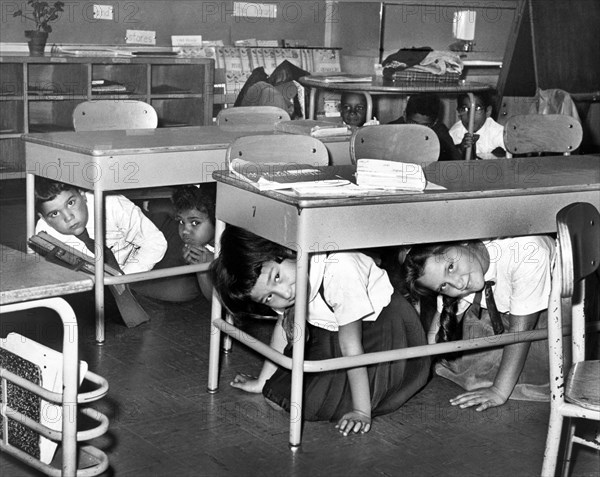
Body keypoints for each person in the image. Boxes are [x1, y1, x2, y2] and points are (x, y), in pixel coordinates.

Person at [210, 226, 430, 436]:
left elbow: (350, 345)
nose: (285, 294)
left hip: (383, 332)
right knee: (276, 395)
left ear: (285, 248)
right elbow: (284, 328)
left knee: (307, 402)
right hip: (334, 332)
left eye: (277, 277)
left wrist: (362, 411)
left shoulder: (340, 268)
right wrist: (263, 381)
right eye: (268, 297)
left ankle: (361, 396)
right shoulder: (283, 283)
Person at [402, 235, 554, 411]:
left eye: (450, 267)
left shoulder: (526, 252)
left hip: (553, 316)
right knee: (458, 363)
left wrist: (498, 391)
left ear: (463, 240)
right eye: (443, 286)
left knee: (534, 377)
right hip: (510, 318)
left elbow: (522, 330)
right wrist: (414, 374)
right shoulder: (465, 267)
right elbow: (435, 333)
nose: (458, 284)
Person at [35, 177, 167, 275]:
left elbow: (154, 242)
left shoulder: (110, 203)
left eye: (70, 203)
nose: (68, 217)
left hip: (133, 269)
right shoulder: (44, 233)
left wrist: (122, 279)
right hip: (89, 281)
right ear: (44, 218)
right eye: (55, 213)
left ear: (82, 195)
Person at [388, 93, 463, 161]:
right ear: (404, 116)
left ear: (435, 122)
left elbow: (453, 160)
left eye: (425, 126)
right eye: (413, 123)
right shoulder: (392, 129)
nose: (419, 130)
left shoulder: (440, 131)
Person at [449, 91, 505, 160]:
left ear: (488, 111)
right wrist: (460, 149)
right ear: (459, 112)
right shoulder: (455, 132)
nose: (470, 115)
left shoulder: (499, 133)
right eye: (464, 109)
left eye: (477, 109)